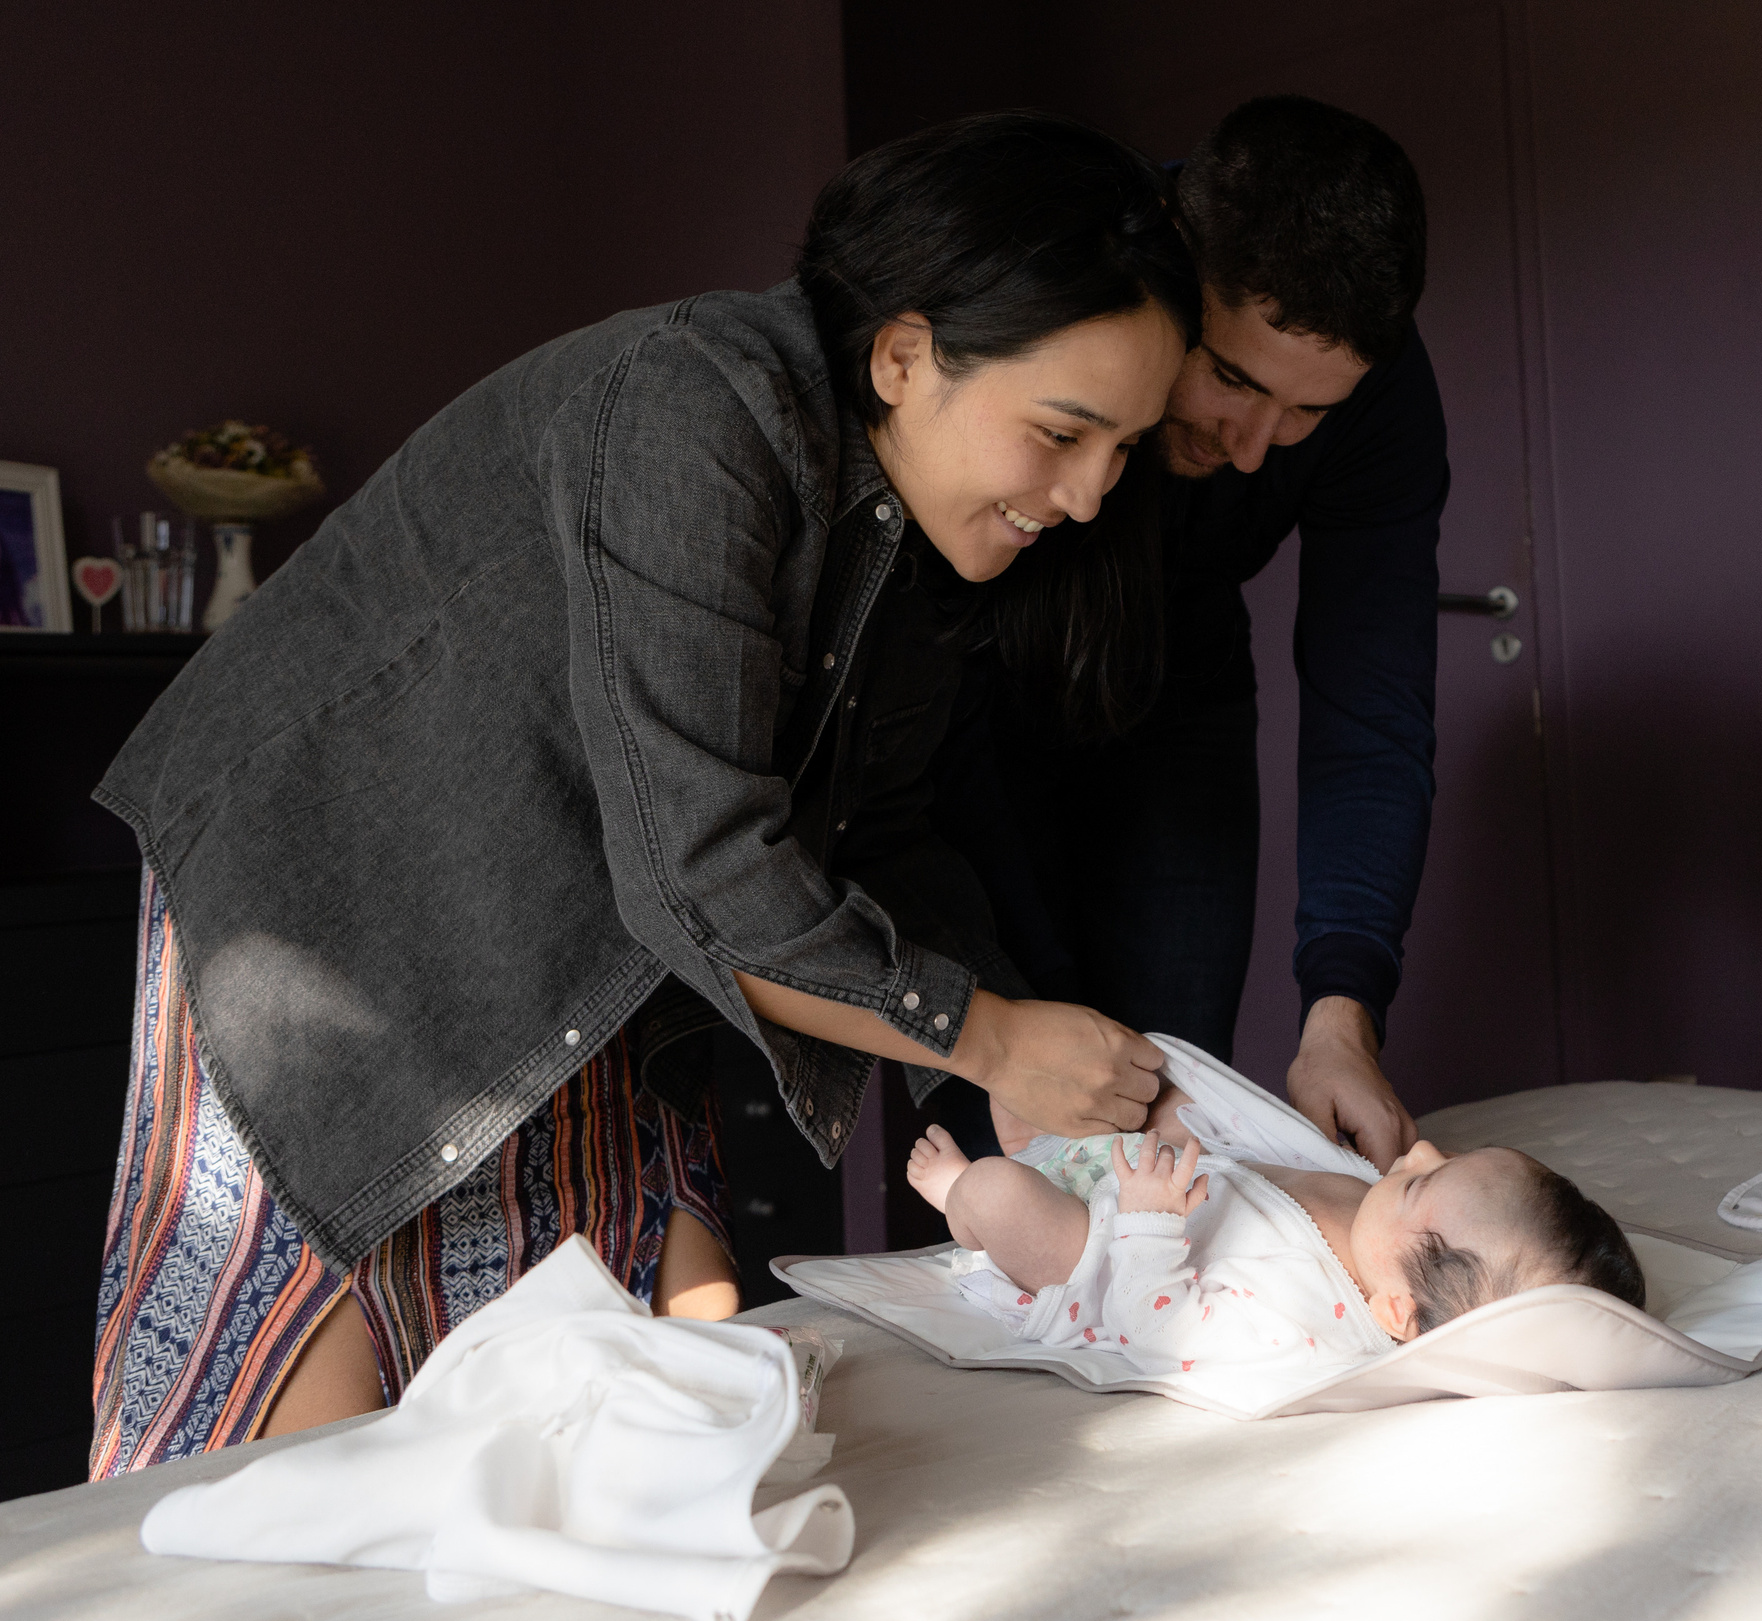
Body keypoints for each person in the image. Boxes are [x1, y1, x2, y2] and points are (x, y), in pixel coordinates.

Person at [85, 113, 1197, 1473]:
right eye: (1063, 433)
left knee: (584, 1424)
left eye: (1123, 450)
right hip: (329, 892)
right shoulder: (692, 404)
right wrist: (988, 1038)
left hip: (585, 924)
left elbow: (879, 836)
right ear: (904, 356)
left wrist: (1008, 1069)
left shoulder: (923, 533)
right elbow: (703, 869)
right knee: (285, 1466)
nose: (1088, 495)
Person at [956, 96, 1447, 1173]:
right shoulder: (1069, 267)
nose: (1257, 448)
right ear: (1169, 267)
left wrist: (1343, 1010)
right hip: (970, 684)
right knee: (1010, 1140)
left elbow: (1371, 706)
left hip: (1180, 677)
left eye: (1308, 415)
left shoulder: (1387, 395)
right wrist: (1006, 1021)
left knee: (1171, 1111)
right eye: (1232, 378)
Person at [902, 1083, 1645, 1373]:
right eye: (1444, 1158)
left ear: (1396, 1312)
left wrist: (1146, 1225)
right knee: (1030, 1089)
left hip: (1101, 1257)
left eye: (1421, 1180)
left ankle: (955, 1196)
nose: (1418, 1150)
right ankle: (1041, 1149)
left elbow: (1156, 1331)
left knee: (998, 1191)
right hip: (1144, 1179)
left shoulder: (1305, 1320)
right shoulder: (1372, 1221)